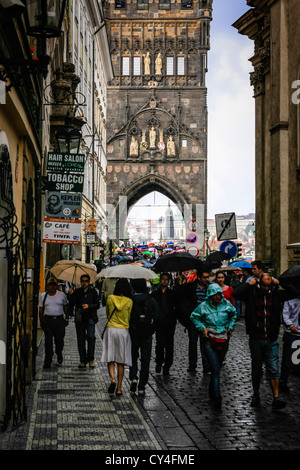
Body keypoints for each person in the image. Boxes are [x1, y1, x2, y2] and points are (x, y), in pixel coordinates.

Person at [232, 273, 299, 410]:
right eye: (264, 285)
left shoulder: (276, 295)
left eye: (269, 285)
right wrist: (248, 284)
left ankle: (276, 398)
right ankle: (256, 395)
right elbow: (235, 293)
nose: (266, 288)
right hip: (256, 338)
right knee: (257, 369)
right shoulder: (251, 294)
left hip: (271, 338)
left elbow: (295, 292)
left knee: (273, 368)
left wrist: (279, 282)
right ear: (259, 283)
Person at [190, 284, 237, 409]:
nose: (217, 297)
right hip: (209, 340)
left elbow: (233, 314)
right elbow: (194, 317)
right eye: (214, 295)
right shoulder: (203, 306)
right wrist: (202, 328)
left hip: (223, 339)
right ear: (210, 295)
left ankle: (212, 390)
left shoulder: (226, 304)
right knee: (215, 368)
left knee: (218, 366)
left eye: (218, 294)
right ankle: (217, 397)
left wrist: (230, 327)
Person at [101, 279, 133, 396]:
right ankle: (119, 388)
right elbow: (128, 317)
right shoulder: (129, 301)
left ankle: (112, 380)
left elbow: (108, 314)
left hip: (111, 329)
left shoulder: (110, 298)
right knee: (121, 361)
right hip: (123, 331)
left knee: (111, 358)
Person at [129, 278, 160, 396]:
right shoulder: (151, 300)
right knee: (145, 359)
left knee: (133, 356)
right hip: (147, 334)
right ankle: (142, 386)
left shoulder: (131, 300)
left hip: (134, 333)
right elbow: (157, 316)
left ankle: (133, 377)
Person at [175, 270, 211, 373]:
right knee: (193, 342)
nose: (206, 279)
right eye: (204, 277)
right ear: (199, 278)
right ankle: (192, 364)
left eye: (207, 277)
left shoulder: (209, 287)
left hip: (205, 319)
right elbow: (181, 298)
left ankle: (206, 365)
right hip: (194, 319)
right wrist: (180, 285)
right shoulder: (190, 286)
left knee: (205, 342)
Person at [69, 274, 100, 369]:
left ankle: (91, 359)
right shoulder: (77, 292)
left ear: (89, 282)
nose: (84, 283)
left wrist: (89, 306)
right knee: (80, 339)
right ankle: (82, 360)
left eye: (86, 281)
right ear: (80, 282)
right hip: (80, 319)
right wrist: (70, 295)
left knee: (91, 338)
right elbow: (71, 303)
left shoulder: (93, 292)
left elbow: (98, 304)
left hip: (90, 318)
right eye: (82, 281)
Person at [39, 278, 69, 369]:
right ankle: (48, 360)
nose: (52, 287)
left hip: (59, 321)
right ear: (47, 286)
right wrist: (41, 321)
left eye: (54, 285)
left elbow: (66, 306)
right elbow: (40, 309)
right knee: (48, 342)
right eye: (50, 285)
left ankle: (59, 352)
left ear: (57, 286)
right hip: (48, 321)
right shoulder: (43, 296)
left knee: (59, 341)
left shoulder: (62, 295)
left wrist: (66, 318)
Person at [152, 272, 177, 376]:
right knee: (160, 344)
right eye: (163, 279)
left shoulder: (172, 293)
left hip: (170, 322)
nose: (165, 281)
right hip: (159, 322)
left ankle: (167, 365)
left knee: (169, 344)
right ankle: (159, 362)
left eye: (166, 279)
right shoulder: (155, 294)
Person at [279, 297, 300, 392]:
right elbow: (285, 315)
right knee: (287, 359)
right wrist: (291, 325)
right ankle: (283, 382)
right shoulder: (289, 300)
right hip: (292, 333)